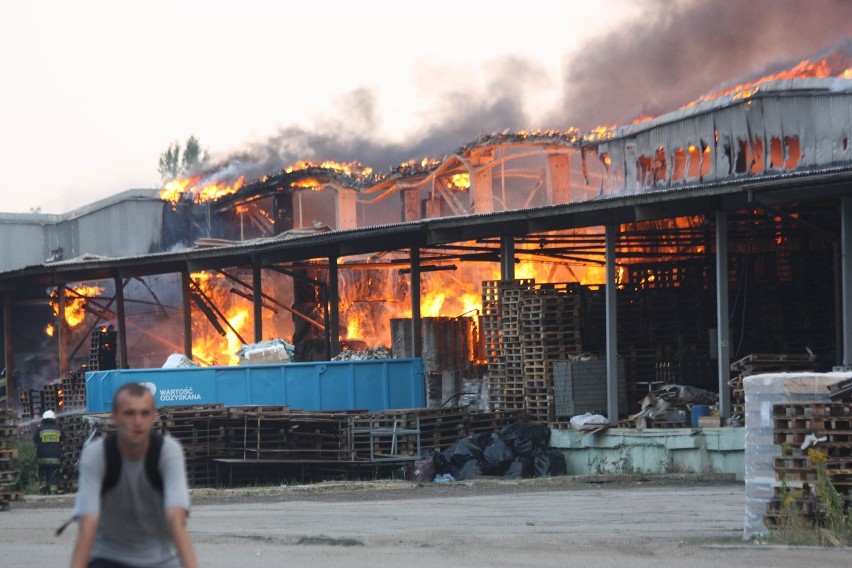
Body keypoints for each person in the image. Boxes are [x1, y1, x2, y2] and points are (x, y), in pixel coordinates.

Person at [69, 383, 198, 568]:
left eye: (144, 413)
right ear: (114, 417)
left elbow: (176, 520)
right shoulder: (97, 454)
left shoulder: (167, 452)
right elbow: (87, 525)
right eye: (129, 413)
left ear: (153, 416)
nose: (138, 421)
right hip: (108, 558)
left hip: (160, 560)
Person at [33, 409, 63, 494]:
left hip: (42, 458)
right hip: (55, 458)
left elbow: (35, 440)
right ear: (54, 419)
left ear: (44, 419)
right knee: (53, 473)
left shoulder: (40, 429)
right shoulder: (58, 429)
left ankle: (43, 489)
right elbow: (64, 439)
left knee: (43, 473)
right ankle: (53, 490)